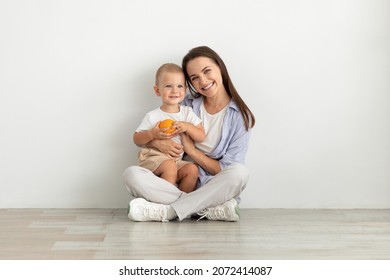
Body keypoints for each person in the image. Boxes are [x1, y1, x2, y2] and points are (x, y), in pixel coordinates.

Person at [123, 46, 255, 222]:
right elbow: (146, 136)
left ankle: (167, 211)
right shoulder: (184, 104)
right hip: (177, 184)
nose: (203, 81)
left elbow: (225, 169)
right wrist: (157, 143)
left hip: (210, 187)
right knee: (131, 174)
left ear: (220, 68)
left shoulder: (239, 117)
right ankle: (203, 209)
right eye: (194, 78)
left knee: (239, 173)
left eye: (207, 71)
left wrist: (191, 151)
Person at [134, 63, 205, 193]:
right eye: (168, 86)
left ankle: (182, 204)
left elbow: (201, 136)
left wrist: (187, 126)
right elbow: (137, 139)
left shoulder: (187, 113)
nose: (174, 91)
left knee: (192, 170)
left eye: (179, 86)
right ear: (157, 90)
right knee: (169, 167)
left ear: (185, 89)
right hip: (154, 157)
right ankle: (164, 204)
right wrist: (152, 134)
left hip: (176, 160)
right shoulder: (153, 116)